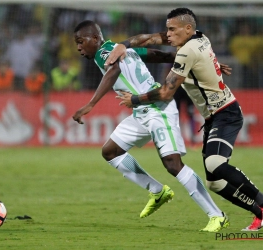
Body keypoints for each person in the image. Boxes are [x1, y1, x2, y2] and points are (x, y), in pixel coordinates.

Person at [105, 8, 263, 231]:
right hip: (212, 118)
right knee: (214, 183)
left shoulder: (187, 52)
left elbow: (165, 93)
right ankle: (259, 213)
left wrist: (135, 98)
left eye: (172, 29)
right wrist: (122, 45)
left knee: (215, 164)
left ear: (187, 28)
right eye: (167, 29)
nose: (167, 34)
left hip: (226, 113)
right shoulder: (198, 37)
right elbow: (149, 38)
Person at [73, 20, 229, 232]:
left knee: (173, 165)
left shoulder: (104, 53)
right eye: (77, 44)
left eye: (81, 42)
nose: (79, 47)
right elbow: (157, 55)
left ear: (95, 38)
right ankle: (157, 191)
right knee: (110, 151)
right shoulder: (122, 48)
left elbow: (114, 69)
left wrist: (90, 104)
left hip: (157, 108)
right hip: (141, 112)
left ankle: (217, 215)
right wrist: (198, 63)